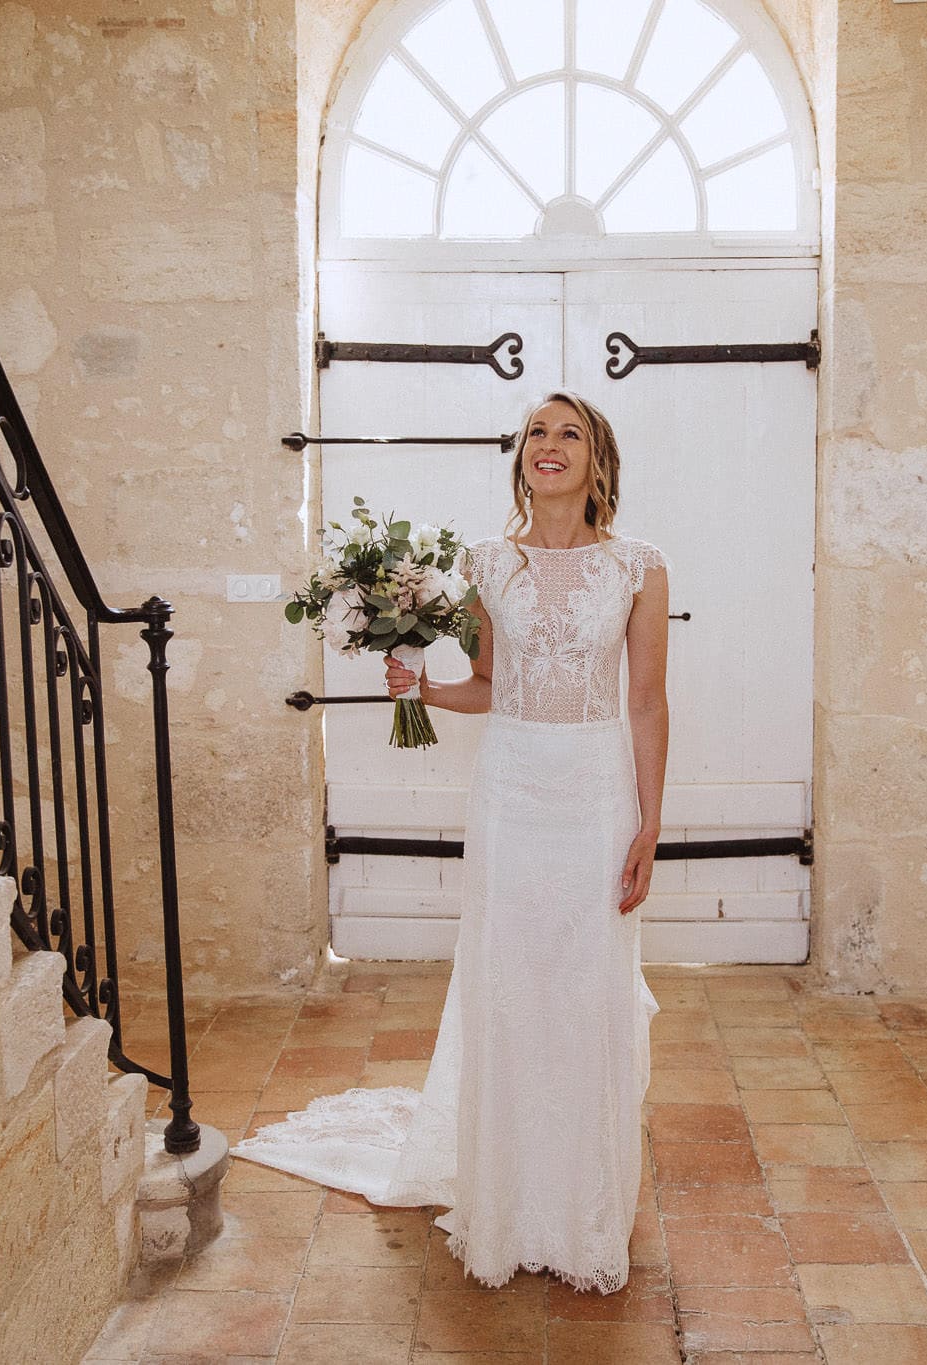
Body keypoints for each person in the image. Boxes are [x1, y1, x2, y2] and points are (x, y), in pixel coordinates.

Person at [230, 390, 672, 1294]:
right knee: (508, 981)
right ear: (521, 460)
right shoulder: (484, 565)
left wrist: (650, 822)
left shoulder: (639, 567)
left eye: (569, 433)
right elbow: (489, 686)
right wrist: (420, 690)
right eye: (536, 434)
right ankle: (507, 1199)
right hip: (511, 792)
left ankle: (584, 1208)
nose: (549, 446)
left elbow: (647, 701)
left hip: (594, 795)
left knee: (586, 984)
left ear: (598, 460)